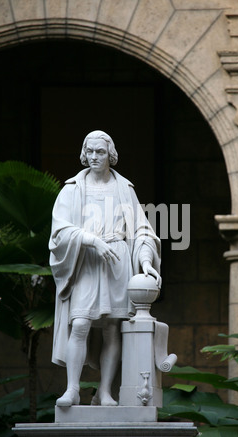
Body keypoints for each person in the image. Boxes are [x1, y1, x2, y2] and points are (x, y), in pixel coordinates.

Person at [49, 130, 161, 407]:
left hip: (117, 261)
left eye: (100, 152)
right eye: (90, 152)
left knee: (113, 327)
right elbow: (60, 231)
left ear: (110, 154)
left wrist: (145, 260)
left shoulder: (124, 189)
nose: (95, 157)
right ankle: (72, 389)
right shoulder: (72, 189)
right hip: (86, 260)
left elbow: (141, 230)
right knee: (80, 323)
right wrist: (91, 240)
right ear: (84, 154)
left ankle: (105, 392)